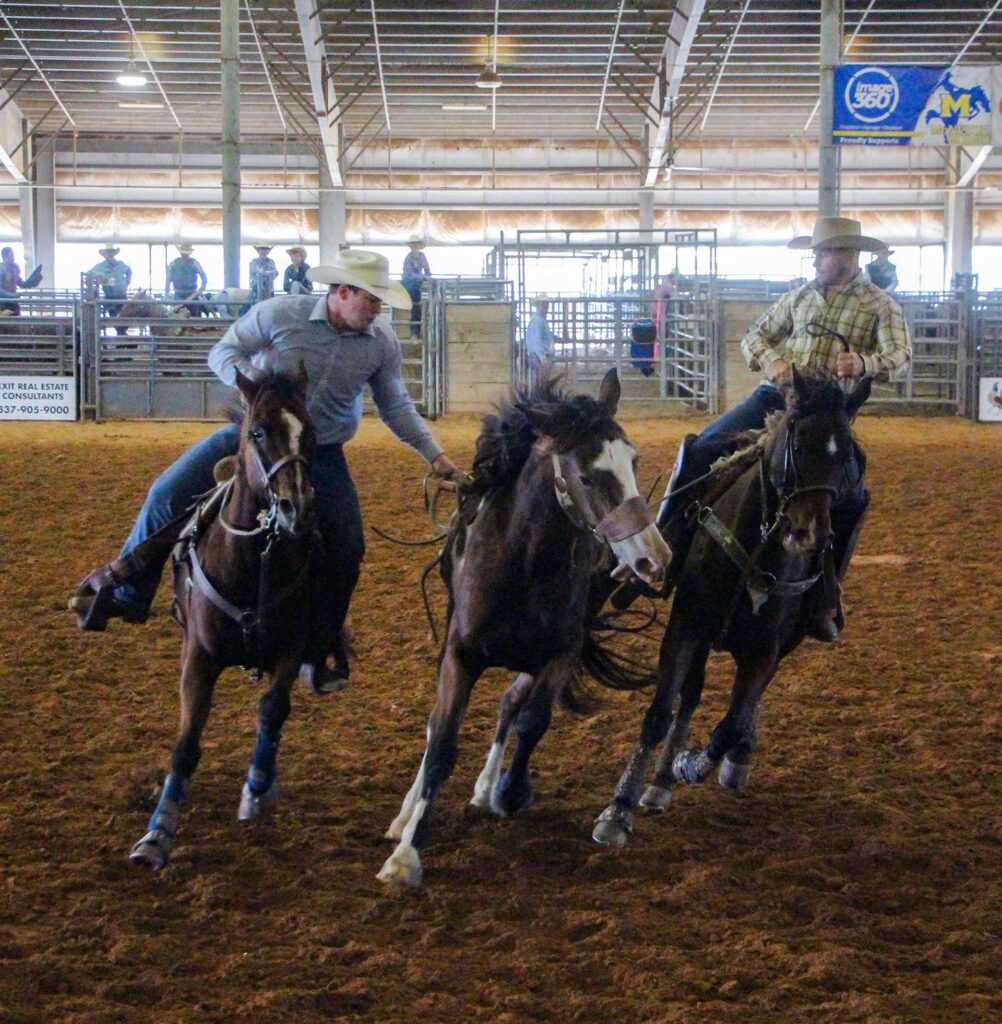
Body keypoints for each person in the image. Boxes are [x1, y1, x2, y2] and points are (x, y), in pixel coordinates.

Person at [69, 249, 460, 694]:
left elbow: (395, 404)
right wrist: (255, 391)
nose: (377, 310)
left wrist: (435, 455)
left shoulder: (380, 342)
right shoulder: (279, 314)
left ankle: (321, 642)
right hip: (254, 439)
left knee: (347, 545)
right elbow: (225, 350)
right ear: (342, 292)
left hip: (320, 451)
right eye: (371, 300)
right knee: (167, 493)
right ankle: (129, 594)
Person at [651, 216, 912, 642]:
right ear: (819, 256)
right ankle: (666, 546)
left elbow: (900, 353)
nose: (836, 260)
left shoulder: (880, 305)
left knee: (852, 497)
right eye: (831, 252)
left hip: (828, 413)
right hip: (775, 398)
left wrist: (866, 364)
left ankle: (826, 594)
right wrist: (772, 363)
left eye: (844, 252)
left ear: (854, 257)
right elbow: (756, 337)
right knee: (699, 449)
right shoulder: (797, 299)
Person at [88, 244, 133, 329]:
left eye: (111, 252)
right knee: (115, 319)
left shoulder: (121, 264)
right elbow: (89, 273)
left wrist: (127, 282)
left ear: (114, 253)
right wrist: (99, 276)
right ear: (104, 254)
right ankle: (121, 335)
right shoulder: (100, 266)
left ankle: (121, 335)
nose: (109, 254)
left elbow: (129, 271)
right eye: (107, 252)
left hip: (122, 297)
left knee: (124, 320)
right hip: (110, 298)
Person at [401, 234, 432, 339]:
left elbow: (427, 270)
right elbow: (408, 273)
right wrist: (423, 277)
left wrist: (428, 277)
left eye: (416, 244)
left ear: (419, 245)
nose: (414, 246)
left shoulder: (422, 256)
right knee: (415, 305)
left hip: (415, 284)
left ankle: (415, 333)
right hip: (409, 282)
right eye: (413, 244)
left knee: (415, 306)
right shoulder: (408, 257)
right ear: (410, 246)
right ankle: (415, 332)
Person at [166, 242, 208, 316]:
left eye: (186, 254)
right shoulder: (173, 264)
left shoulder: (194, 263)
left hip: (192, 295)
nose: (185, 255)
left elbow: (204, 277)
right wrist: (167, 294)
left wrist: (202, 288)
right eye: (184, 253)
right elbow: (168, 281)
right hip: (178, 295)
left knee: (196, 317)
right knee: (175, 317)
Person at [0, 246, 43, 315]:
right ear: (5, 256)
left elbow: (21, 283)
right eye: (11, 256)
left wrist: (31, 282)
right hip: (2, 303)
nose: (13, 258)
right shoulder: (1, 269)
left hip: (13, 302)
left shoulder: (14, 269)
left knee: (16, 320)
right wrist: (12, 295)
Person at [525, 293, 556, 386]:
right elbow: (536, 341)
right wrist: (543, 358)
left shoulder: (539, 320)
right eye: (543, 304)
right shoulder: (537, 321)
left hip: (538, 356)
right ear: (538, 305)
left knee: (540, 383)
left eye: (546, 304)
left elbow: (543, 337)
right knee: (539, 384)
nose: (546, 306)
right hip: (538, 357)